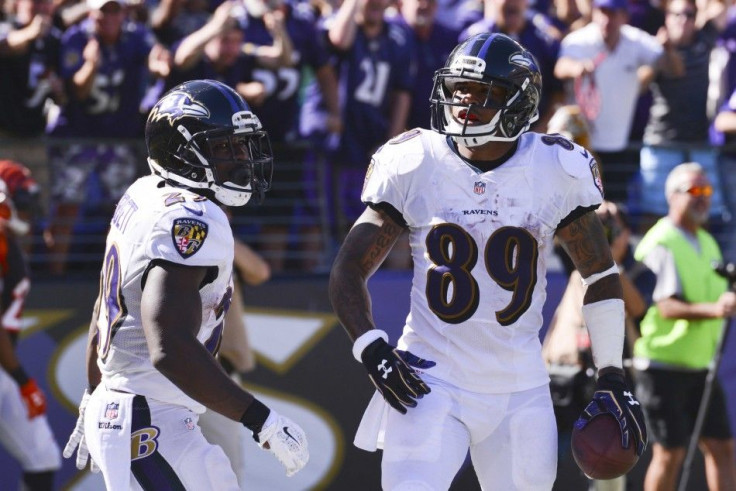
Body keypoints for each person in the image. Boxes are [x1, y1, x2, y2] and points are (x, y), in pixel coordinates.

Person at [328, 32, 647, 490]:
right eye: (459, 89)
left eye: (482, 92)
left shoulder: (554, 167)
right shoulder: (416, 160)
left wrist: (612, 373)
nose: (464, 103)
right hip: (429, 379)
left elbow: (599, 274)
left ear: (518, 102)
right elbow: (349, 267)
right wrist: (372, 347)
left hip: (519, 385)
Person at [61, 79, 309, 489]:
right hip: (148, 416)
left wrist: (93, 391)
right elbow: (169, 345)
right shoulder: (193, 219)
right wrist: (260, 418)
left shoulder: (142, 193)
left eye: (242, 145)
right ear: (181, 152)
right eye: (225, 147)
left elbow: (105, 308)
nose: (242, 158)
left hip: (141, 410)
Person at [633, 162, 736, 491]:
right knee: (670, 453)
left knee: (722, 447)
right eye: (694, 191)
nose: (703, 198)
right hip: (662, 365)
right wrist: (716, 309)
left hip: (700, 365)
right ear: (672, 196)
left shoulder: (706, 241)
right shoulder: (661, 241)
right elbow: (666, 305)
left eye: (707, 191)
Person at [543, 200, 655, 491]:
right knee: (544, 456)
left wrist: (607, 263)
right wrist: (589, 219)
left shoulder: (640, 270)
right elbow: (560, 235)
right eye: (601, 223)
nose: (605, 229)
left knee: (607, 463)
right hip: (566, 373)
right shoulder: (579, 255)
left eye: (611, 224)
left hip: (613, 377)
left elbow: (639, 307)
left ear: (626, 231)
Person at [554, 0, 681, 203]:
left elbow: (674, 70)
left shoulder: (636, 40)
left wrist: (669, 50)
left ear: (624, 16)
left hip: (618, 148)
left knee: (615, 210)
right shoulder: (579, 40)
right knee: (575, 209)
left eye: (612, 13)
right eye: (602, 12)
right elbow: (560, 67)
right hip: (580, 147)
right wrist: (577, 68)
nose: (606, 19)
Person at [0, 177, 61, 491]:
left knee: (42, 455)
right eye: (19, 206)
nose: (25, 214)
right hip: (7, 369)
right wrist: (24, 381)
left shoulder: (6, 241)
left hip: (4, 369)